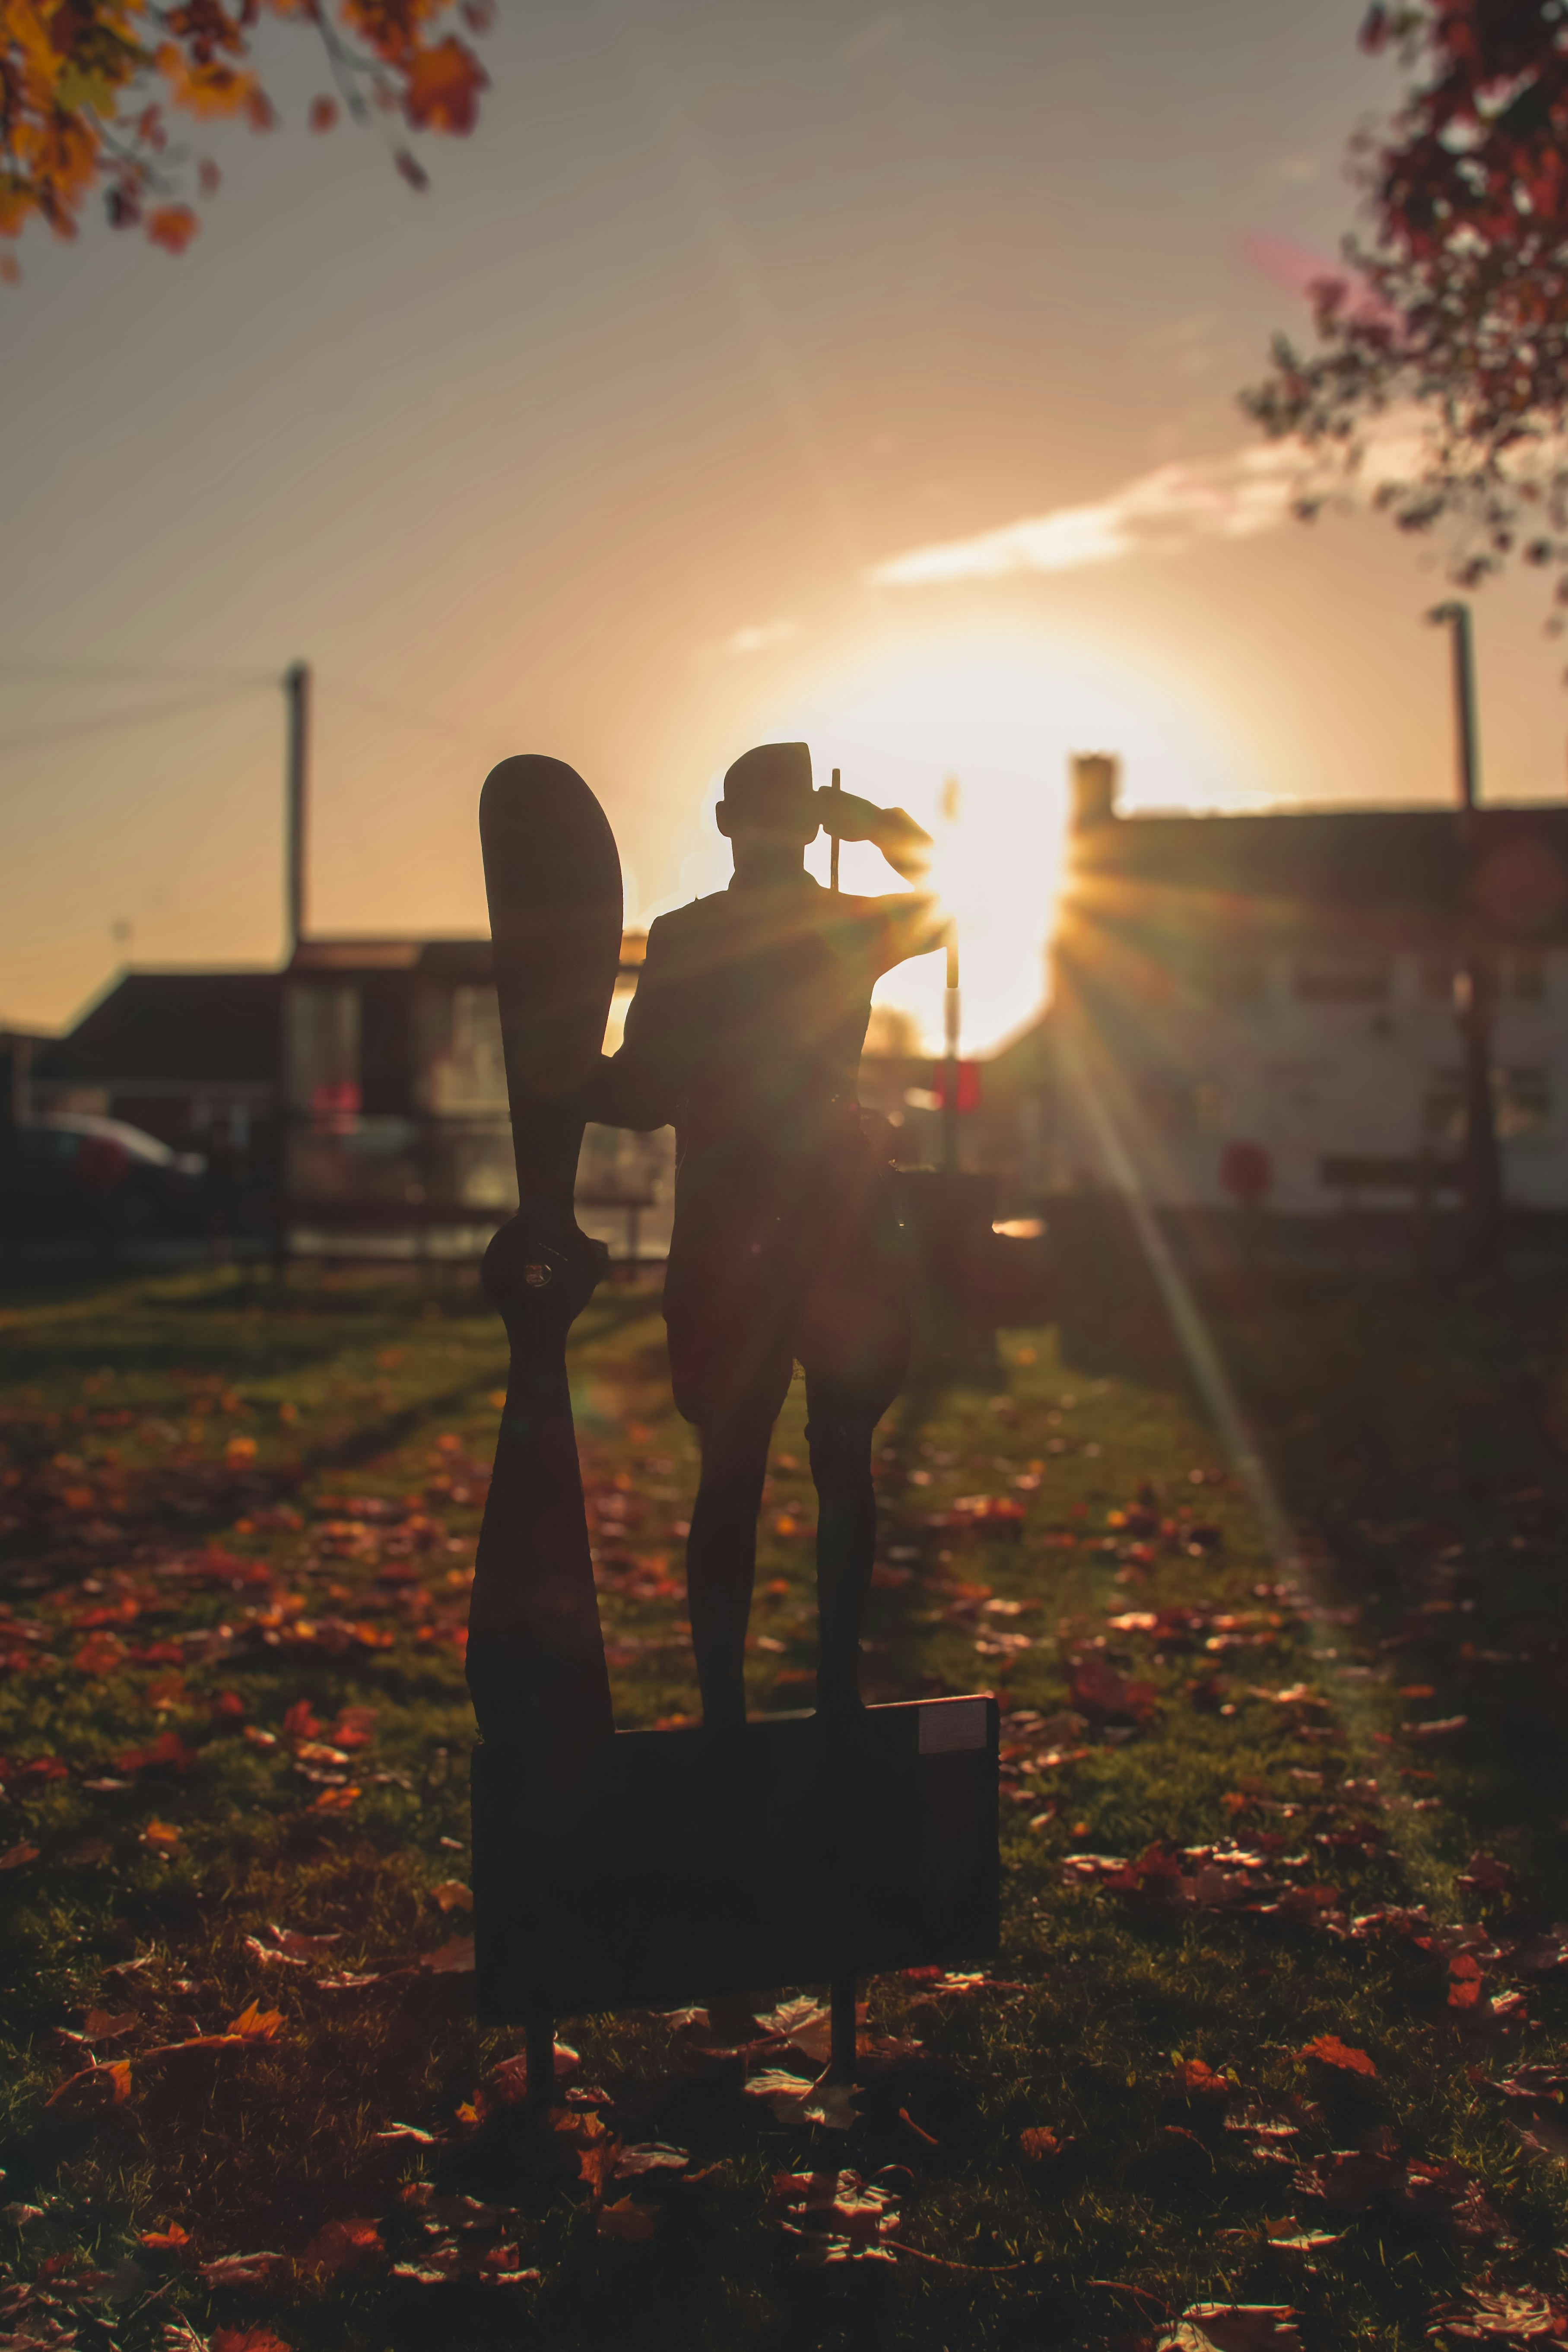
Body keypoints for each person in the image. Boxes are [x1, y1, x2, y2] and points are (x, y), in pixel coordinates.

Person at [588, 742, 945, 1750]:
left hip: (742, 1219)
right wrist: (874, 823)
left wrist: (569, 1076)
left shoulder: (690, 935)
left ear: (726, 822)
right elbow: (947, 898)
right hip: (827, 1216)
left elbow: (644, 1093)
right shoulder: (844, 923)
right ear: (805, 822)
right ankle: (828, 1698)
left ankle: (728, 1718)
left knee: (738, 1469)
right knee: (840, 1466)